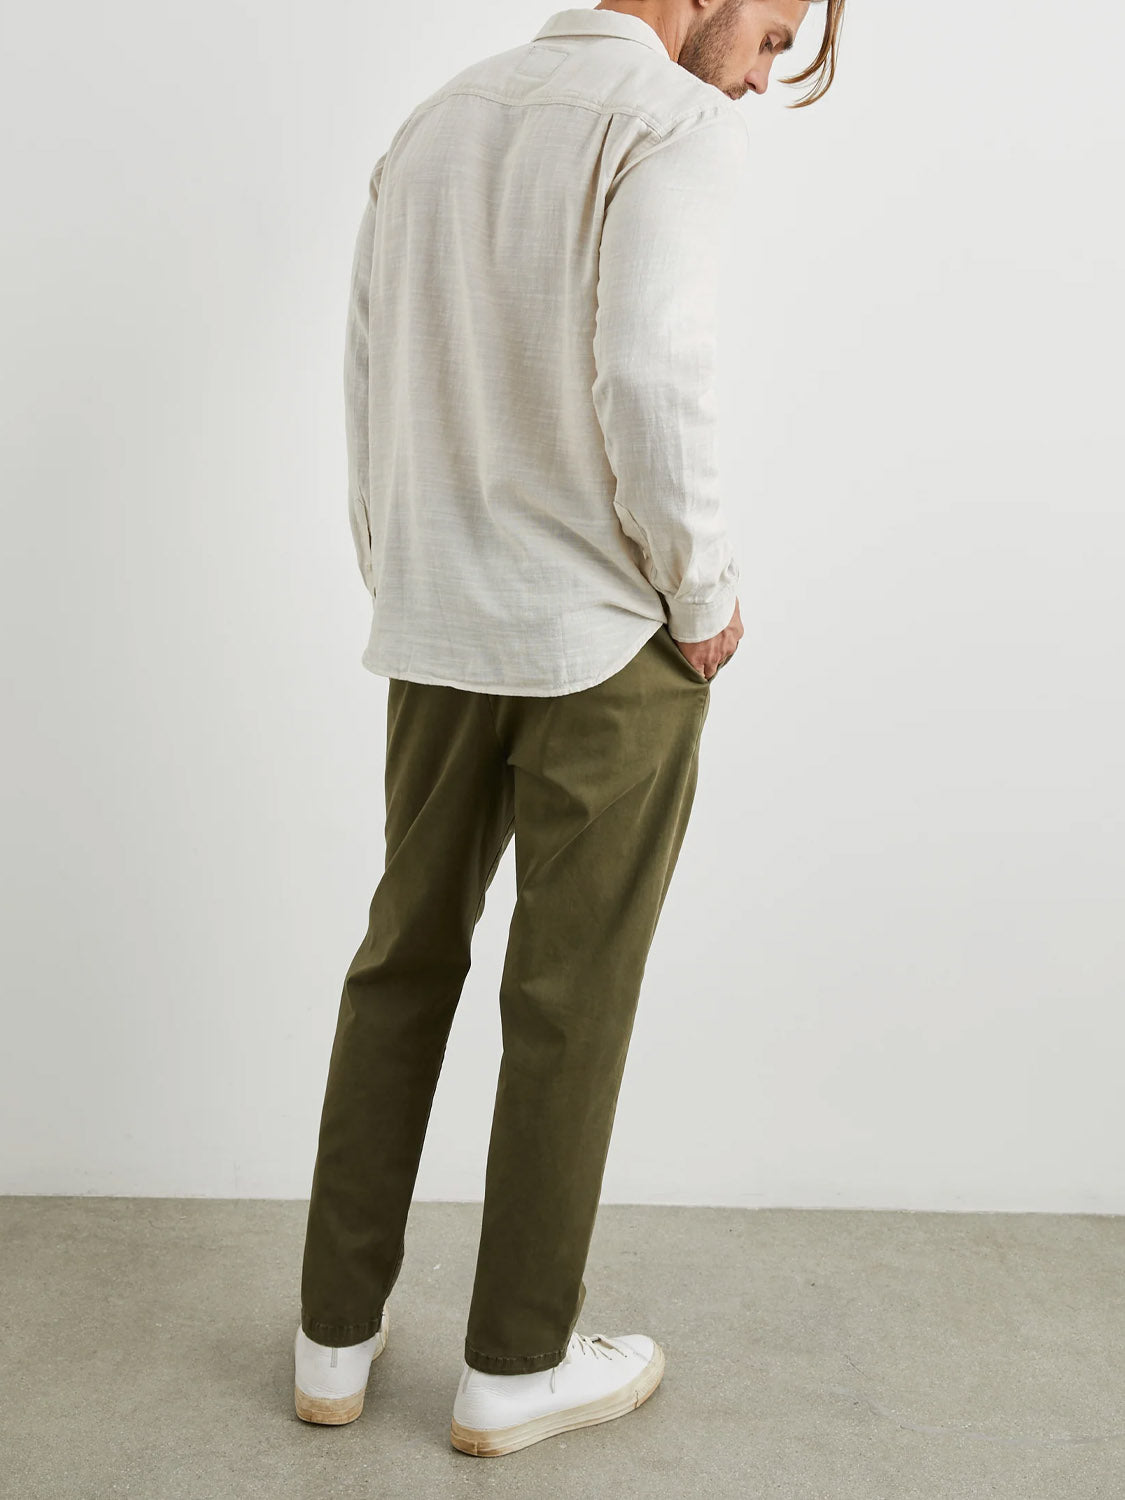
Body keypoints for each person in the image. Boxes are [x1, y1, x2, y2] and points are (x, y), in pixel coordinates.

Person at [294, 0, 842, 1458]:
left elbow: (365, 379)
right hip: (605, 634)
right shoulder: (666, 123)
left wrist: (401, 570)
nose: (761, 68)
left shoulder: (436, 121)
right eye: (774, 30)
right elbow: (652, 373)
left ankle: (331, 1347)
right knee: (567, 997)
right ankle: (512, 1367)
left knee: (400, 958)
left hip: (439, 623)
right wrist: (702, 590)